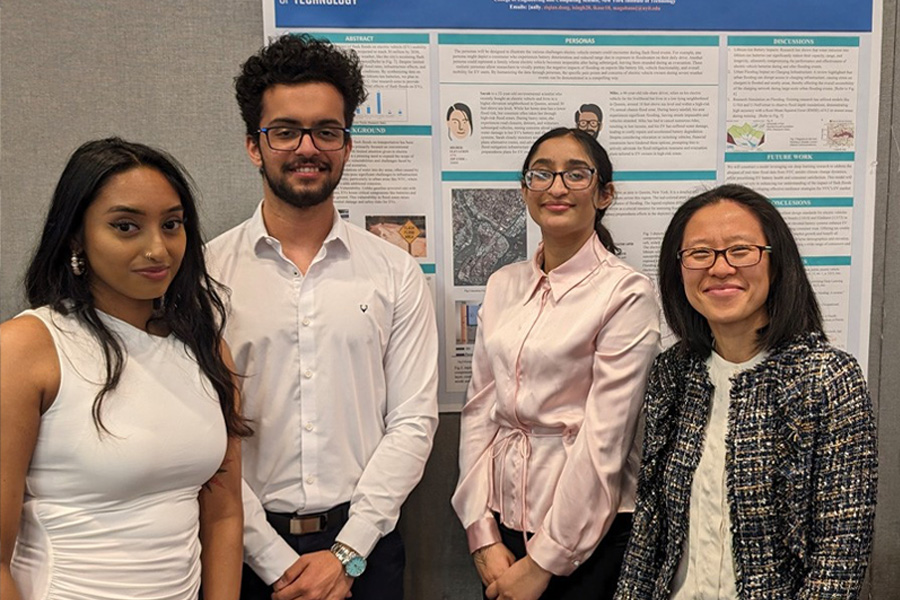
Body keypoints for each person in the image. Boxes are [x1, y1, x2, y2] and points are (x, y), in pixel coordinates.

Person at [206, 34, 439, 600]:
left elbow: (412, 421)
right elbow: (204, 431)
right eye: (285, 131)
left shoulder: (395, 272)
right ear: (253, 146)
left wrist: (346, 553)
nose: (307, 147)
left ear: (347, 145)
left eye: (326, 131)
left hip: (366, 551)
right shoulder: (205, 274)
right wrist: (269, 557)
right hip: (238, 544)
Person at [0, 138, 248, 600]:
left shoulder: (209, 350)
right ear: (76, 236)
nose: (158, 248)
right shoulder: (26, 348)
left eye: (172, 224)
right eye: (126, 226)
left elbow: (224, 515)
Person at [615, 184, 878, 599]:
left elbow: (838, 557)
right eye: (700, 253)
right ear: (677, 268)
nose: (720, 268)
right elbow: (650, 527)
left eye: (741, 250)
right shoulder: (673, 372)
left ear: (776, 263)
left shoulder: (828, 378)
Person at [452, 127, 661, 600]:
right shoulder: (503, 284)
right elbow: (480, 412)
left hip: (589, 534)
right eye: (542, 174)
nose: (557, 187)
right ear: (525, 190)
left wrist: (547, 560)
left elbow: (604, 442)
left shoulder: (626, 293)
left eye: (576, 174)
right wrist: (479, 531)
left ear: (604, 193)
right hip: (502, 523)